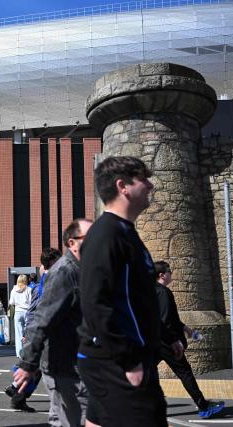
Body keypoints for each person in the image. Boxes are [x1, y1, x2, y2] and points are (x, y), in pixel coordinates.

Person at [77, 156, 166, 427]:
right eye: (143, 179)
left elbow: (136, 299)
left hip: (122, 359)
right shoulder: (107, 234)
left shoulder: (125, 232)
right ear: (122, 186)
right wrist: (129, 361)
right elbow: (95, 302)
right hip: (116, 362)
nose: (150, 185)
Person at [14, 219, 93, 426]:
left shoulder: (84, 269)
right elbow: (42, 319)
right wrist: (28, 364)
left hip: (79, 362)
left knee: (63, 419)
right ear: (71, 243)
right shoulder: (64, 272)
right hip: (66, 366)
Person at [154, 261, 225, 419]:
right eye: (169, 271)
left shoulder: (152, 291)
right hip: (166, 343)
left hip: (155, 341)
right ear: (162, 275)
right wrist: (174, 341)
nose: (171, 273)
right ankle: (204, 406)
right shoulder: (163, 293)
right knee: (185, 373)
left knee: (144, 371)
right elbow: (165, 320)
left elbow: (167, 318)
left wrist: (187, 329)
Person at [5, 247, 62, 413]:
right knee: (37, 367)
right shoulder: (41, 286)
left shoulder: (51, 280)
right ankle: (16, 389)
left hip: (48, 332)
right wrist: (26, 333)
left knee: (35, 369)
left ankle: (17, 394)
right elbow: (33, 311)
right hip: (41, 332)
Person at [9, 274, 30, 357]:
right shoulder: (29, 289)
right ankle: (28, 352)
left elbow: (11, 303)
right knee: (28, 333)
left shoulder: (13, 290)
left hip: (18, 312)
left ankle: (19, 353)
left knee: (18, 334)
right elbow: (31, 302)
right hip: (27, 312)